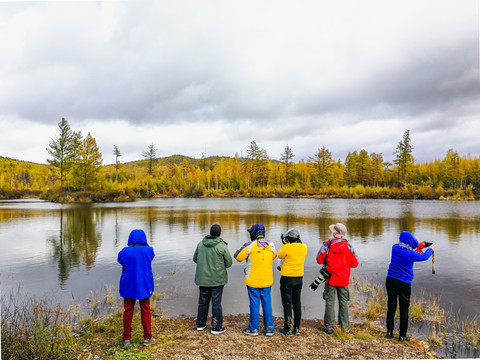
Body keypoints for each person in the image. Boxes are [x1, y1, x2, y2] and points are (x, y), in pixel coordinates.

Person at [386, 231, 435, 341]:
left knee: (391, 307)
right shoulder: (411, 254)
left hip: (391, 281)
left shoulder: (394, 248)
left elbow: (410, 245)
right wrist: (431, 248)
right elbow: (424, 256)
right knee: (404, 309)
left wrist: (420, 245)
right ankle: (402, 336)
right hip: (404, 283)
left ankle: (389, 332)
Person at [314, 223, 358, 334]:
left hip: (330, 279)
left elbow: (319, 260)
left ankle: (329, 327)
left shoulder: (327, 245)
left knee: (330, 302)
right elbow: (355, 263)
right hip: (343, 280)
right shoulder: (349, 247)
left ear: (334, 233)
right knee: (343, 303)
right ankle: (345, 328)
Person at [234, 224, 277, 337]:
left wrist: (245, 247)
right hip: (267, 279)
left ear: (253, 234)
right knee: (267, 303)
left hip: (253, 280)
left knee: (254, 304)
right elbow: (273, 256)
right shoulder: (271, 245)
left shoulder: (250, 246)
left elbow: (237, 256)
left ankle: (253, 328)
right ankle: (269, 329)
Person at [118, 229, 156, 348]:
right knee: (145, 310)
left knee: (128, 311)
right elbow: (151, 256)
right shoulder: (148, 250)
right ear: (144, 239)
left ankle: (126, 339)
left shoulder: (125, 251)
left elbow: (120, 260)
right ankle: (147, 338)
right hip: (144, 285)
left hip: (129, 285)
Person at [193, 224, 233, 335]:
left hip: (203, 279)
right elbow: (229, 263)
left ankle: (200, 324)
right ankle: (216, 327)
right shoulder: (222, 246)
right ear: (220, 234)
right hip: (217, 280)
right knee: (216, 303)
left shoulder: (201, 244)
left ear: (210, 233)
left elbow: (195, 259)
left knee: (202, 302)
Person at [277, 228, 308, 336]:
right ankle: (297, 328)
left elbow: (280, 255)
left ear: (289, 238)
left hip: (287, 278)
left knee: (287, 303)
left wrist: (284, 244)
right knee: (297, 302)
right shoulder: (304, 247)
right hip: (299, 278)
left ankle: (287, 329)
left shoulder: (287, 247)